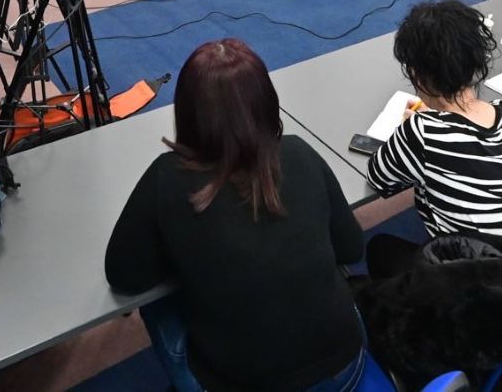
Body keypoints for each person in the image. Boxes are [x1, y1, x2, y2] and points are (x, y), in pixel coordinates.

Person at [105, 39, 366, 391]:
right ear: (267, 101)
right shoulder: (298, 152)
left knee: (155, 307)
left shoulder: (167, 176)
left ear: (186, 111)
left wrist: (191, 255)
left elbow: (124, 276)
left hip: (241, 381)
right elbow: (351, 248)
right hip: (346, 368)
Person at [365, 0, 502, 276]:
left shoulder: (422, 131)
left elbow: (379, 178)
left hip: (483, 282)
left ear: (416, 74)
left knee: (380, 247)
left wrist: (412, 128)